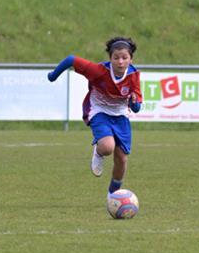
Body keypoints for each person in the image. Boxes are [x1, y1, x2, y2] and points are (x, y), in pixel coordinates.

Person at [47, 37, 142, 197]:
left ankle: (113, 194)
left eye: (124, 58)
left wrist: (134, 102)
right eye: (116, 58)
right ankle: (98, 152)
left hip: (120, 116)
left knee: (122, 159)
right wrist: (53, 75)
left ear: (130, 59)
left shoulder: (133, 76)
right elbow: (71, 59)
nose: (120, 62)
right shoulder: (99, 71)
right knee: (107, 147)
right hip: (99, 111)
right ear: (110, 58)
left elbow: (137, 108)